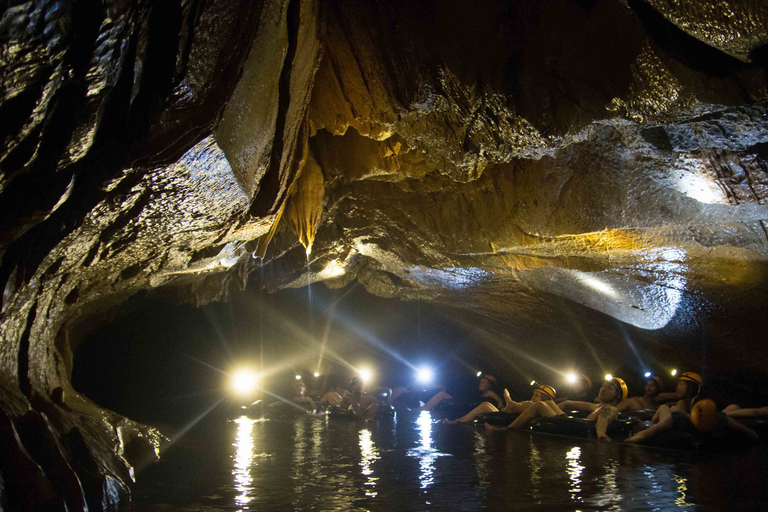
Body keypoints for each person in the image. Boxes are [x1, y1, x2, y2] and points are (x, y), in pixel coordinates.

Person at [485, 377, 628, 441]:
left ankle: (505, 430)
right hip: (571, 423)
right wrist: (551, 410)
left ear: (618, 396)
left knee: (540, 405)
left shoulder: (611, 408)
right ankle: (512, 406)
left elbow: (605, 417)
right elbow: (568, 403)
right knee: (551, 404)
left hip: (578, 428)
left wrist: (601, 433)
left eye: (609, 388)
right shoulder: (596, 406)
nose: (603, 389)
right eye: (603, 386)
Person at [626, 389, 758, 444]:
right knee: (665, 409)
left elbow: (751, 434)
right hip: (666, 424)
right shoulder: (680, 418)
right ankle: (645, 422)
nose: (702, 420)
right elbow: (647, 433)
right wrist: (629, 441)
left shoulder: (720, 419)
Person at [443, 383, 555, 424]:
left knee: (486, 405)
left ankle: (458, 421)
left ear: (544, 399)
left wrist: (508, 399)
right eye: (533, 394)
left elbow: (515, 408)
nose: (533, 397)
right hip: (508, 413)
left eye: (536, 396)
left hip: (510, 417)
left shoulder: (536, 406)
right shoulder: (530, 403)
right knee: (485, 404)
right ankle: (460, 420)